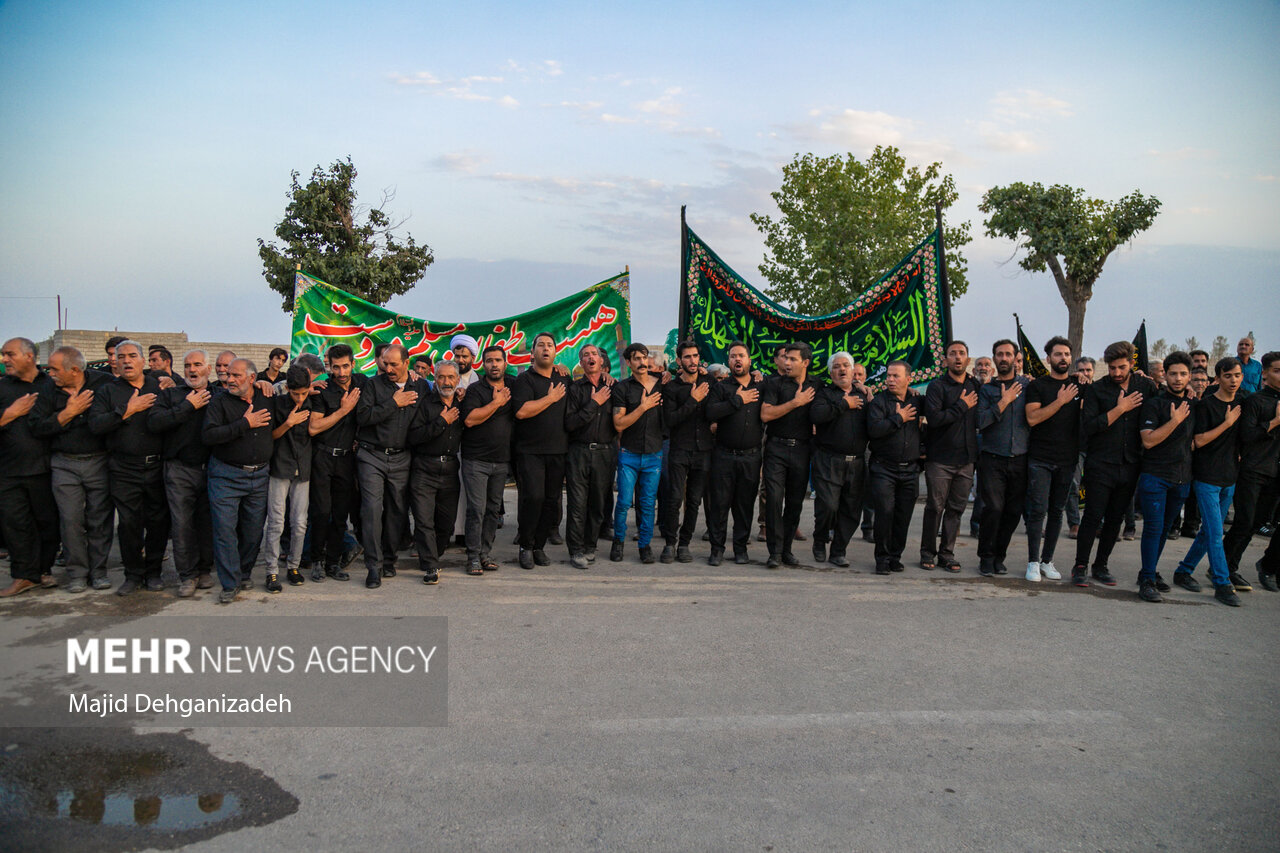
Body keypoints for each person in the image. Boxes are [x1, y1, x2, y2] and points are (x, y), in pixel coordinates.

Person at [1071, 341, 1158, 588]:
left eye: (1122, 367)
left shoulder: (1145, 386)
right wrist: (1120, 409)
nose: (1117, 373)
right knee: (1093, 516)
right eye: (1112, 368)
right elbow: (1089, 427)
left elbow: (1161, 408)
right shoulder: (1097, 390)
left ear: (1131, 363)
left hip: (1131, 464)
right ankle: (1080, 566)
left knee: (1115, 519)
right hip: (1101, 464)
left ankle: (1101, 565)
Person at [88, 340, 171, 595]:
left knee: (158, 522)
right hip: (123, 469)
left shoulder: (160, 386)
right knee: (128, 524)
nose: (126, 361)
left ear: (143, 360)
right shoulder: (107, 390)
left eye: (132, 356)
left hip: (157, 467)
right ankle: (133, 575)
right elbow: (95, 425)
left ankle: (154, 573)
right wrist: (126, 411)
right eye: (121, 356)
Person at [31, 346, 115, 593]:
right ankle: (77, 573)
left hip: (100, 462)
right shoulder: (47, 389)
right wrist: (67, 414)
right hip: (64, 463)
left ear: (75, 370)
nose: (50, 373)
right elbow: (37, 427)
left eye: (55, 369)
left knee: (100, 520)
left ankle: (99, 572)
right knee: (70, 521)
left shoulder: (104, 384)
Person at [1174, 358, 1246, 606]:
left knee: (1208, 532)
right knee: (1215, 532)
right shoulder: (1206, 406)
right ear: (1218, 378)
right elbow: (1199, 441)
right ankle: (1222, 583)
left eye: (1237, 375)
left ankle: (1184, 570)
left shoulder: (1243, 402)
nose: (1233, 380)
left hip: (1230, 478)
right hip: (1207, 478)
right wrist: (1227, 423)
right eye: (1228, 376)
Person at [202, 358, 274, 604]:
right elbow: (209, 436)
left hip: (260, 476)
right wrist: (245, 424)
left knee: (253, 532)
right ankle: (230, 583)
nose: (229, 379)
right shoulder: (219, 402)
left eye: (236, 375)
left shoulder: (267, 397)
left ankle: (243, 573)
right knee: (225, 531)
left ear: (252, 378)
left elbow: (295, 391)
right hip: (225, 476)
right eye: (228, 374)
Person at [147, 349, 215, 597]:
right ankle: (187, 575)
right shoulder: (171, 394)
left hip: (212, 470)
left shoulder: (219, 394)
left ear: (208, 369)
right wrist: (188, 406)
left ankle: (204, 570)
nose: (192, 370)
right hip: (179, 470)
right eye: (187, 365)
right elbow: (155, 422)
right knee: (182, 525)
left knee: (207, 524)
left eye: (197, 364)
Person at [354, 344, 420, 589]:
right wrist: (393, 403)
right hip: (372, 456)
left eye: (394, 364)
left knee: (397, 511)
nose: (388, 368)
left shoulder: (420, 387)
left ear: (406, 363)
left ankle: (390, 559)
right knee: (372, 510)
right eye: (385, 363)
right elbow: (363, 417)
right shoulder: (373, 385)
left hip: (402, 458)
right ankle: (374, 566)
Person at [1134, 352, 1195, 602]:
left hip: (1182, 478)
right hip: (1155, 475)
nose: (1178, 379)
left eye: (1183, 374)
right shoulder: (1154, 404)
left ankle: (1148, 571)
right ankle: (1147, 580)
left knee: (1164, 530)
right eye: (1173, 374)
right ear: (1165, 375)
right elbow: (1148, 441)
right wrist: (1175, 420)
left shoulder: (1194, 404)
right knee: (1153, 528)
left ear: (1189, 376)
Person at [0, 338, 59, 597]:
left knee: (48, 523)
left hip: (47, 469)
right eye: (3, 354)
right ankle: (23, 575)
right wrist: (11, 413)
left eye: (9, 354)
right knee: (15, 525)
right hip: (9, 471)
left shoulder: (51, 384)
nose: (4, 359)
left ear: (29, 356)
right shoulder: (2, 387)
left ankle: (43, 571)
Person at [1022, 337, 1080, 582]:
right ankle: (1033, 563)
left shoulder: (1079, 386)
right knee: (1038, 511)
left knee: (1057, 512)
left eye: (1066, 354)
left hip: (1067, 460)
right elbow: (1033, 418)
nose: (1063, 358)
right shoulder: (1038, 386)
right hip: (1040, 458)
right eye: (1058, 354)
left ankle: (1047, 561)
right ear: (1048, 359)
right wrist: (1060, 401)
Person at [307, 344, 366, 582]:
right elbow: (313, 427)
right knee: (321, 513)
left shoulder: (362, 383)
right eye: (336, 367)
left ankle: (333, 563)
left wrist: (412, 374)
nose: (341, 372)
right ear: (329, 366)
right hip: (322, 457)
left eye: (345, 366)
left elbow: (388, 377)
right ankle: (317, 562)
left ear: (353, 364)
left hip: (347, 460)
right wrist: (343, 410)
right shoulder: (322, 390)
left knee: (341, 515)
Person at [511, 332, 570, 569]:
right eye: (541, 345)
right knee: (533, 498)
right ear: (532, 352)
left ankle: (539, 547)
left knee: (550, 501)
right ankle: (525, 546)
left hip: (558, 450)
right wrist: (551, 398)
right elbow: (522, 411)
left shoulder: (564, 378)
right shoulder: (524, 380)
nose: (546, 348)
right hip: (530, 451)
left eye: (550, 345)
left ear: (555, 352)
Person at [920, 341, 980, 573]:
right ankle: (927, 552)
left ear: (967, 360)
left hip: (966, 460)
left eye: (961, 353)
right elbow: (935, 419)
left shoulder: (975, 386)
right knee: (935, 507)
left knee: (956, 509)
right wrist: (962, 405)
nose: (957, 357)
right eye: (952, 353)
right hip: (940, 460)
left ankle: (947, 554)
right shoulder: (937, 386)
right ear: (945, 360)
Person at [759, 342, 820, 568]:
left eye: (793, 359)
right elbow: (766, 415)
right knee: (774, 500)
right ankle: (774, 553)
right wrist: (796, 402)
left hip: (802, 450)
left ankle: (786, 550)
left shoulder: (816, 384)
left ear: (805, 362)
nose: (786, 363)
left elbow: (840, 390)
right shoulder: (774, 383)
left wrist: (864, 389)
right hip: (776, 448)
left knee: (795, 502)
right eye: (785, 358)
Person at [704, 341, 764, 565]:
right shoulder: (721, 388)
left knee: (744, 506)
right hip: (723, 456)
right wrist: (737, 400)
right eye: (732, 356)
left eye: (741, 355)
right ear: (728, 362)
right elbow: (711, 412)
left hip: (751, 457)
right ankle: (716, 550)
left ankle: (740, 549)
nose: (737, 359)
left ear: (749, 360)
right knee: (719, 505)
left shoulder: (761, 386)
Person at [1224, 351, 1280, 591]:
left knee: (1256, 523)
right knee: (1244, 522)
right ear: (1264, 373)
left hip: (1275, 473)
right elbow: (1247, 436)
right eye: (1277, 370)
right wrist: (1274, 422)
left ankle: (1230, 566)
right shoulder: (1255, 401)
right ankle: (1224, 568)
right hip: (1253, 469)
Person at [259, 365, 316, 592]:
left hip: (303, 469)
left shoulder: (313, 403)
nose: (300, 398)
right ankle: (271, 570)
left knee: (300, 523)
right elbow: (270, 436)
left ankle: (294, 566)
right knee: (276, 522)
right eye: (295, 394)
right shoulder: (278, 404)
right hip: (280, 467)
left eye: (304, 393)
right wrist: (289, 423)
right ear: (287, 389)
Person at [975, 340, 1030, 577]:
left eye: (1008, 354)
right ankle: (986, 557)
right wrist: (1004, 401)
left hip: (1020, 458)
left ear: (1016, 358)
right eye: (1000, 354)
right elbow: (981, 421)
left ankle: (1000, 556)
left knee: (1013, 511)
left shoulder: (1028, 386)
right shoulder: (987, 390)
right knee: (994, 508)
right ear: (994, 358)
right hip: (992, 458)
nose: (1004, 358)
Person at [459, 345, 515, 574]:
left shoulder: (513, 385)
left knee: (493, 510)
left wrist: (561, 369)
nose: (494, 364)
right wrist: (496, 403)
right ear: (483, 364)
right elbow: (470, 420)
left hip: (501, 460)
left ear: (505, 363)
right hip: (476, 460)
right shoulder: (475, 390)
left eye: (498, 360)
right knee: (476, 509)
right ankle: (472, 557)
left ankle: (485, 554)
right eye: (489, 360)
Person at [809, 351, 868, 567]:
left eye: (845, 365)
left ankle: (838, 551)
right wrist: (844, 404)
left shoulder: (865, 395)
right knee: (828, 505)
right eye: (836, 366)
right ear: (830, 373)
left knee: (851, 511)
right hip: (828, 460)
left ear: (853, 371)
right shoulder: (824, 394)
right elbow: (816, 416)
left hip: (857, 463)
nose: (841, 369)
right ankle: (820, 539)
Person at [408, 360, 464, 585]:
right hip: (424, 469)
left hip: (450, 470)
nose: (446, 382)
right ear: (435, 378)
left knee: (446, 523)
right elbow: (414, 436)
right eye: (441, 377)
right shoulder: (425, 404)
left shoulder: (463, 403)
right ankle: (431, 564)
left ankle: (434, 554)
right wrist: (442, 421)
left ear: (458, 380)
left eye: (451, 377)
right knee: (423, 520)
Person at [610, 343, 665, 563]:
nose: (642, 362)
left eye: (644, 357)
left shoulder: (662, 384)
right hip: (629, 454)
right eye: (636, 358)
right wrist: (643, 407)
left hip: (654, 454)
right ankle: (618, 542)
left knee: (648, 503)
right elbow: (619, 424)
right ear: (628, 362)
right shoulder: (622, 388)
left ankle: (645, 545)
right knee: (624, 502)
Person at [867, 361, 923, 575]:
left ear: (908, 379)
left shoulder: (917, 400)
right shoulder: (879, 402)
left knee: (903, 516)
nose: (890, 380)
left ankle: (895, 557)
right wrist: (899, 418)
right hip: (884, 469)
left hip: (910, 470)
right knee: (885, 513)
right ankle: (881, 559)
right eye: (888, 376)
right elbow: (874, 430)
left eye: (895, 376)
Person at [564, 344, 617, 569]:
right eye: (585, 355)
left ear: (601, 361)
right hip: (579, 452)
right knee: (577, 504)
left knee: (598, 503)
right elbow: (570, 423)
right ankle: (576, 550)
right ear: (581, 363)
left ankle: (590, 546)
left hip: (605, 452)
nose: (590, 357)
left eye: (594, 354)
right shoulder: (575, 389)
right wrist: (594, 403)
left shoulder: (615, 387)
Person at [659, 341, 712, 564]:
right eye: (687, 357)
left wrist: (756, 374)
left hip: (703, 451)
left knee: (694, 501)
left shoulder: (709, 383)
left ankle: (684, 544)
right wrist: (693, 400)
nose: (692, 360)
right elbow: (671, 420)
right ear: (679, 360)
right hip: (680, 449)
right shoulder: (672, 388)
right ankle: (669, 544)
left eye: (695, 356)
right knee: (674, 499)